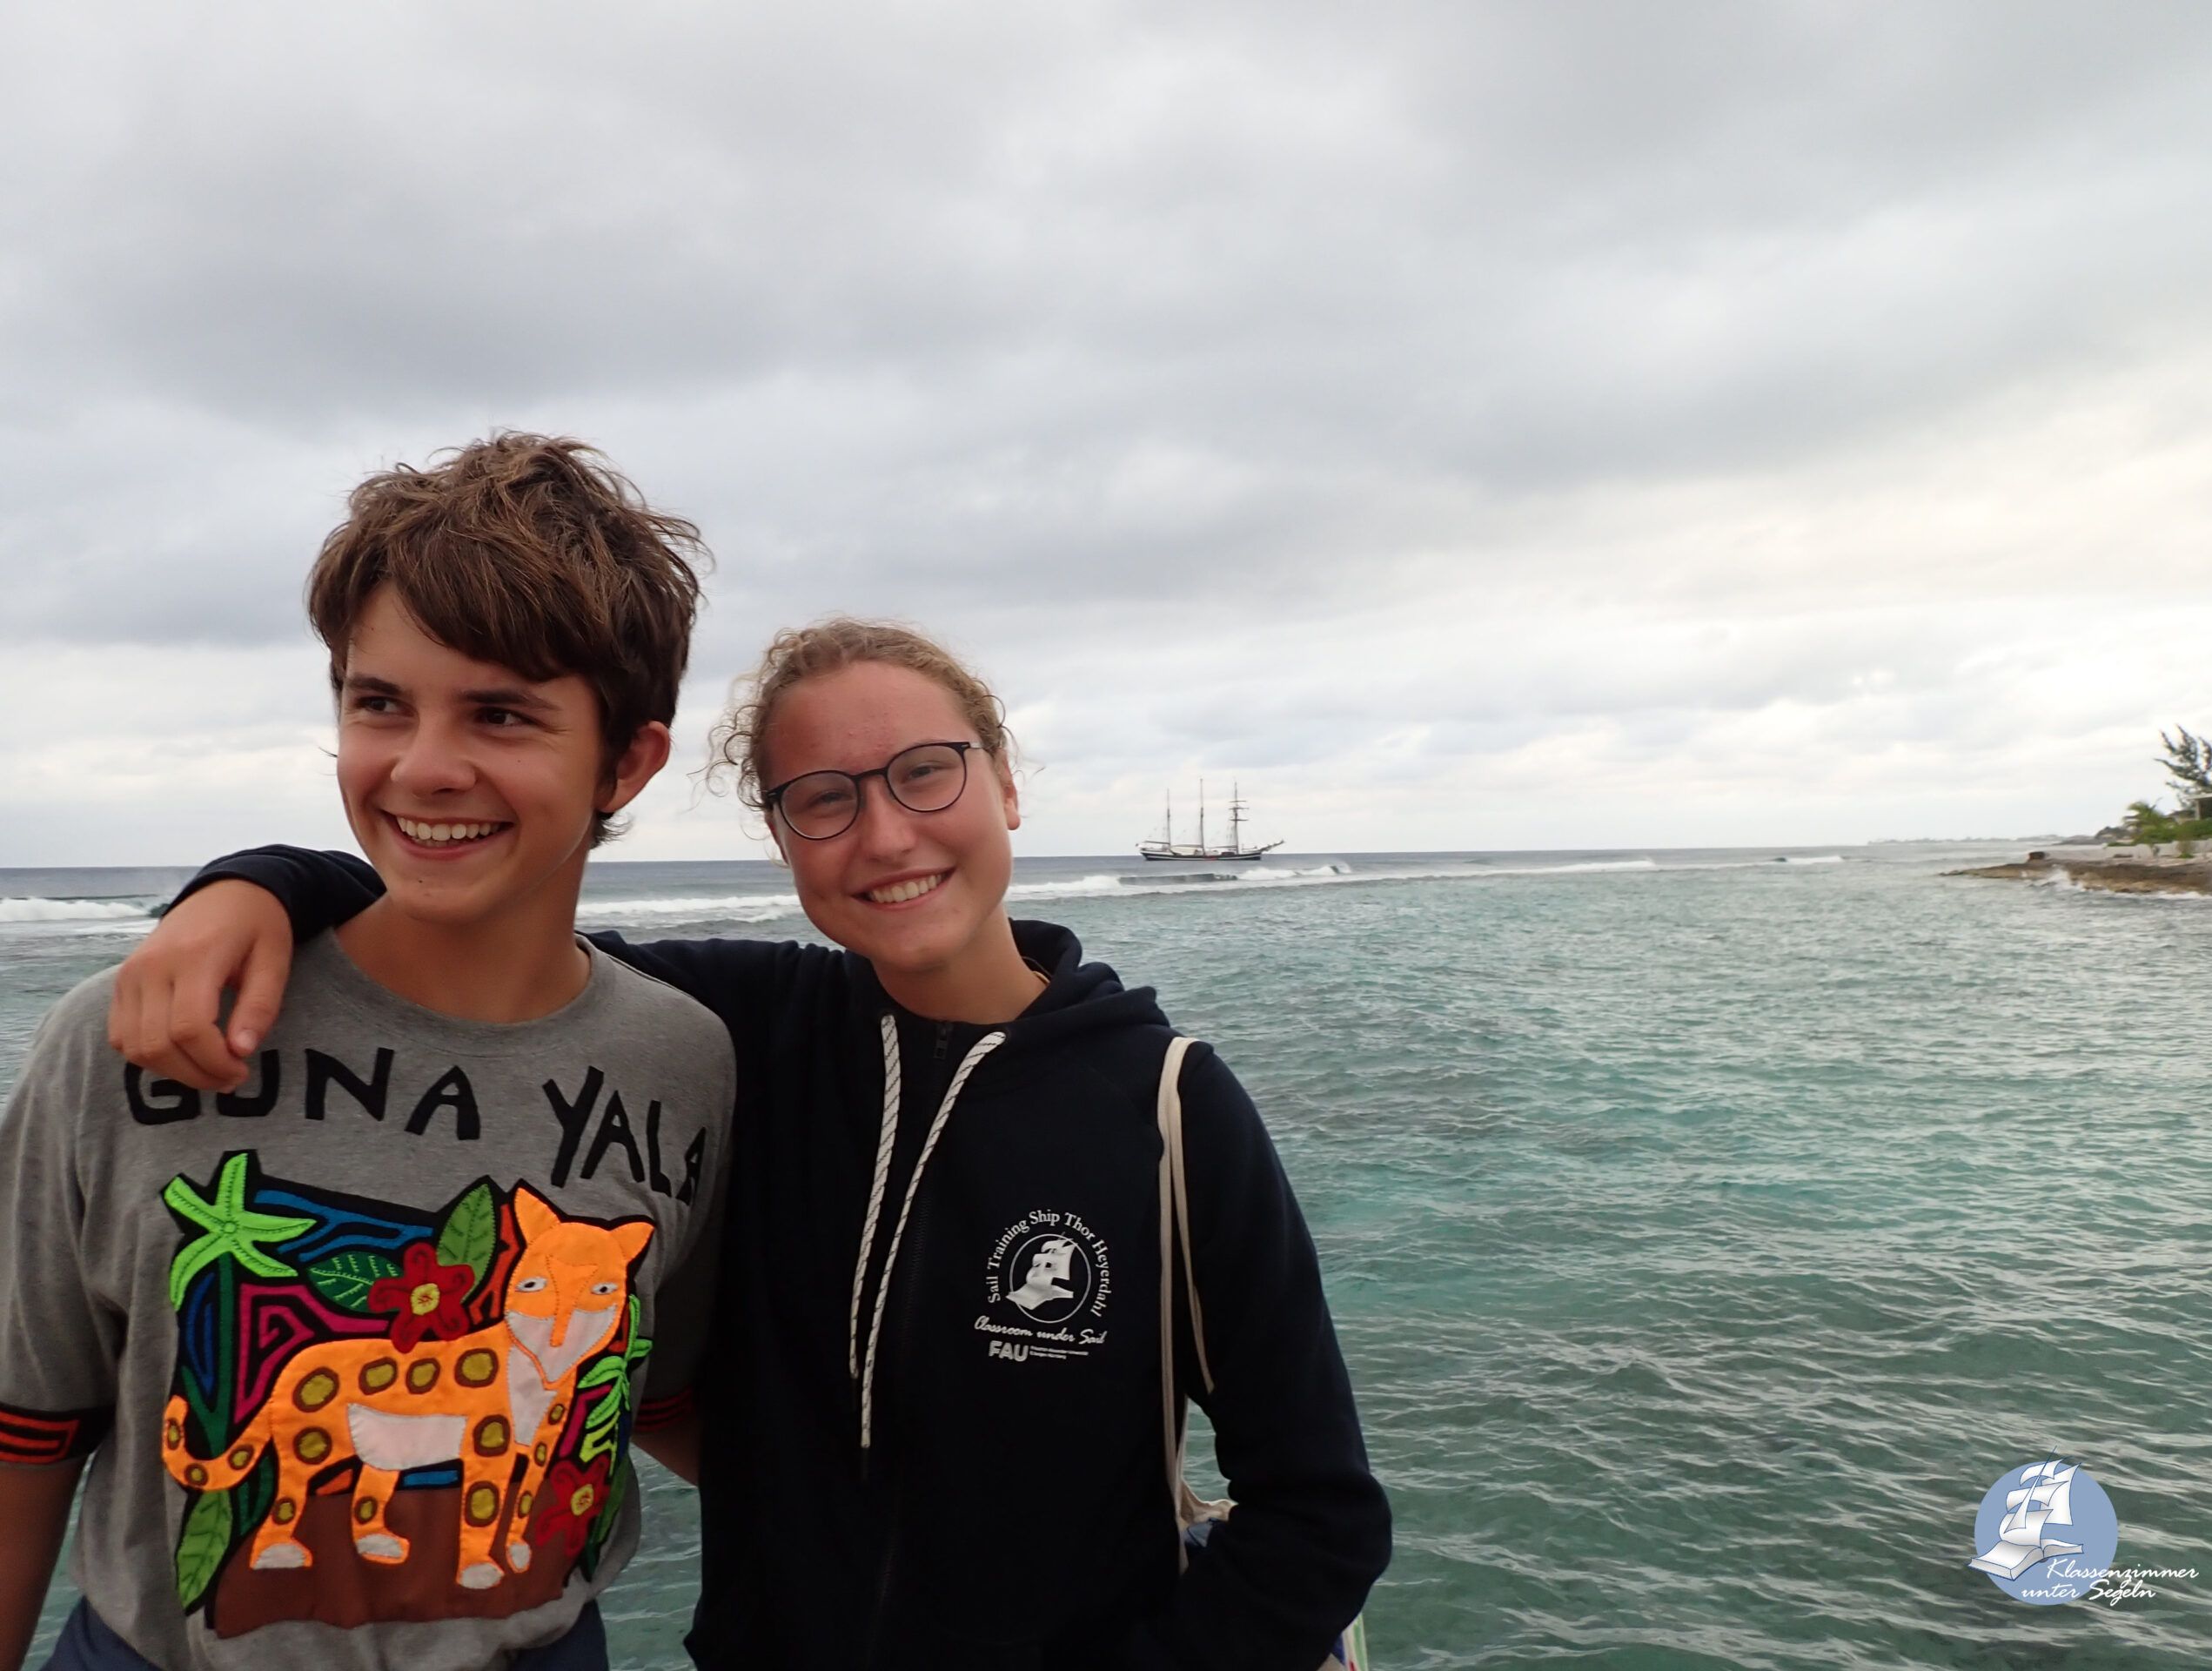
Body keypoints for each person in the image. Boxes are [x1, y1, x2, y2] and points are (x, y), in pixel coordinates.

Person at [108, 620, 1392, 1669]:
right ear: (782, 838)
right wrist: (259, 883)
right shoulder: (737, 1031)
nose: (883, 835)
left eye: (926, 772)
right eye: (821, 800)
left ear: (1004, 782)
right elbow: (487, 939)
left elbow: (1320, 1514)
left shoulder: (1168, 1105)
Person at [0, 436, 736, 1671]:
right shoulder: (135, 1033)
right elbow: (24, 1432)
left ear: (626, 762)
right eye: (380, 703)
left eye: (501, 713)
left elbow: (650, 1392)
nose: (422, 767)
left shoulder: (684, 1058)